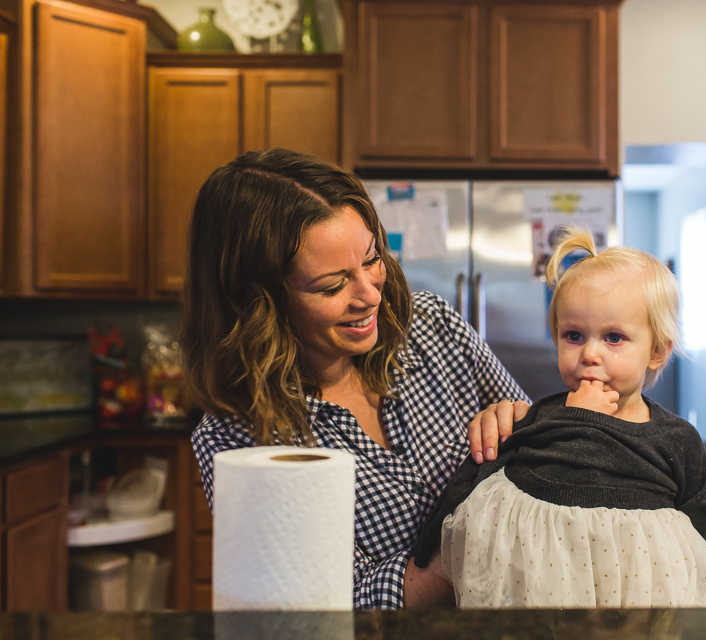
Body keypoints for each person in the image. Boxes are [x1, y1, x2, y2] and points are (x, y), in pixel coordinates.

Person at [182, 148, 531, 609]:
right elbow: (326, 609)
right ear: (258, 303)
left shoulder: (431, 326)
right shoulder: (240, 439)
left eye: (371, 260)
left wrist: (524, 422)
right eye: (331, 285)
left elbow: (544, 448)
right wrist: (462, 559)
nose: (368, 295)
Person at [411, 227, 706, 608]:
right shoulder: (537, 418)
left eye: (613, 338)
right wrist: (428, 548)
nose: (590, 353)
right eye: (573, 335)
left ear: (656, 352)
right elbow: (475, 477)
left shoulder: (678, 439)